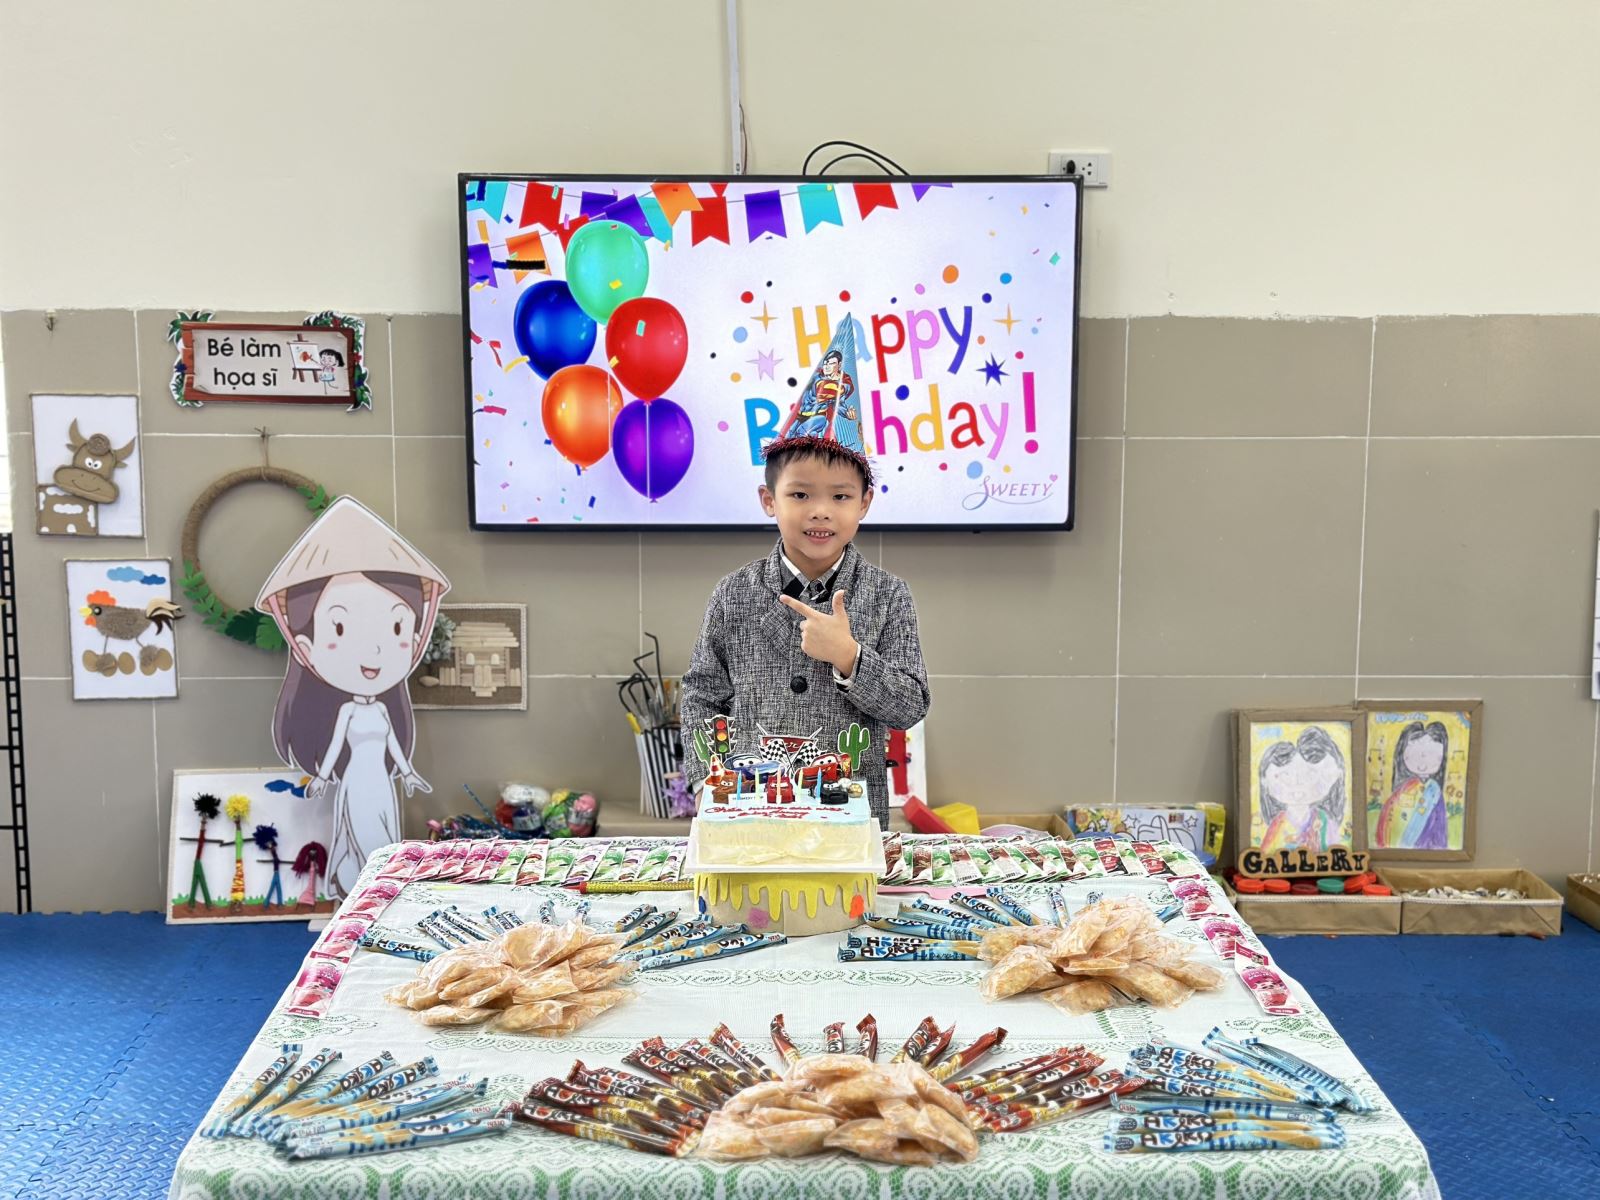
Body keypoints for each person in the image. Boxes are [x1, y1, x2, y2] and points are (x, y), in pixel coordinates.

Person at [680, 432, 929, 825]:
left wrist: (849, 657)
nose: (820, 511)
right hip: (750, 816)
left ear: (864, 503)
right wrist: (704, 786)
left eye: (840, 496)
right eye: (800, 495)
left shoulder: (888, 595)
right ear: (769, 500)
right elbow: (701, 697)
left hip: (850, 822)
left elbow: (910, 707)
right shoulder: (733, 593)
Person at [257, 497, 450, 896]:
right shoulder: (346, 710)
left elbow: (393, 743)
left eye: (396, 628)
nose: (374, 651)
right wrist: (322, 777)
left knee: (382, 833)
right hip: (355, 779)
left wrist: (407, 772)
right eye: (341, 629)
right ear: (305, 648)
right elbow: (333, 748)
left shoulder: (381, 711)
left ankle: (374, 893)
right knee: (361, 834)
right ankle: (359, 892)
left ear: (417, 637)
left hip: (380, 781)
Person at [1256, 725, 1349, 855]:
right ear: (1265, 781)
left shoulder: (1325, 822)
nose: (1297, 785)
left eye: (1309, 775)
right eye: (1284, 776)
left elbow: (1334, 850)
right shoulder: (1277, 823)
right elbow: (1265, 851)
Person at [1374, 721, 1449, 850]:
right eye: (1414, 754)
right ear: (1403, 754)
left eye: (1432, 755)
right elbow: (1388, 818)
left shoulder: (1434, 791)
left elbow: (1439, 830)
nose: (1422, 764)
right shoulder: (1403, 789)